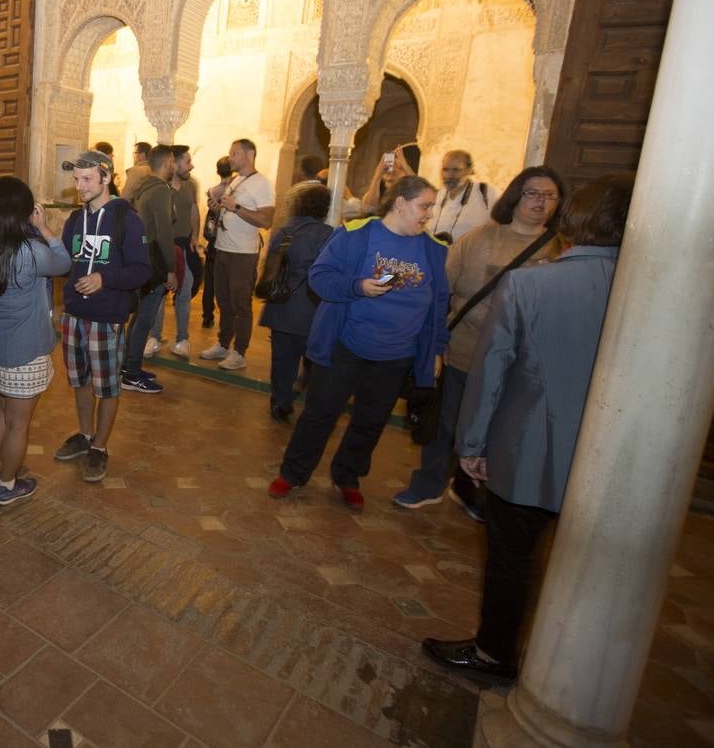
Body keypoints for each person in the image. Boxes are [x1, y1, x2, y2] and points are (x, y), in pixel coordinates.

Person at [422, 174, 634, 684]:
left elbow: (492, 370)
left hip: (531, 450)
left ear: (571, 219)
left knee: (513, 558)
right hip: (620, 459)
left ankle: (495, 653)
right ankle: (582, 668)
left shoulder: (532, 284)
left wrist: (472, 444)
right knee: (596, 564)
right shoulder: (646, 291)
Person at [394, 166, 567, 518]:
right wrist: (434, 345)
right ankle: (429, 484)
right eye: (533, 193)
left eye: (550, 196)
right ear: (516, 195)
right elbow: (443, 289)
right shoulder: (481, 238)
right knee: (446, 423)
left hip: (520, 364)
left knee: (497, 432)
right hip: (465, 352)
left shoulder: (561, 249)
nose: (541, 202)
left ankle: (470, 489)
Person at [269, 175, 449, 511]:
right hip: (346, 347)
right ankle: (293, 473)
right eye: (424, 206)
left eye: (431, 208)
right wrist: (358, 287)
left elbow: (439, 305)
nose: (429, 214)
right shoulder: (356, 235)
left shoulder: (433, 250)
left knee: (370, 421)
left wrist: (436, 349)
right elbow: (320, 277)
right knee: (320, 414)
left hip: (396, 356)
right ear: (399, 203)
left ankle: (347, 477)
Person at [0, 177, 70, 506]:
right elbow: (64, 264)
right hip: (23, 352)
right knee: (19, 424)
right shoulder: (30, 250)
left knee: (0, 409)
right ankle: (8, 486)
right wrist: (45, 229)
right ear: (24, 211)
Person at [54, 150, 150, 484]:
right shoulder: (75, 220)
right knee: (79, 382)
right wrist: (42, 237)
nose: (79, 187)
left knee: (107, 387)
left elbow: (141, 270)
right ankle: (84, 434)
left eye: (87, 179)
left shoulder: (127, 218)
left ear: (106, 178)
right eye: (76, 180)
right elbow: (65, 262)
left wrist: (104, 279)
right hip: (74, 316)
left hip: (106, 317)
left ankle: (101, 447)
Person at [199, 138, 275, 370]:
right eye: (231, 154)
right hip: (223, 249)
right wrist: (219, 206)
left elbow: (266, 220)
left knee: (241, 304)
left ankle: (239, 352)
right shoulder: (236, 180)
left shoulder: (261, 183)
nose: (230, 158)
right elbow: (229, 207)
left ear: (249, 154)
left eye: (235, 154)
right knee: (223, 300)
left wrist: (236, 208)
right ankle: (223, 343)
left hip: (242, 253)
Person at [260, 183, 333, 423]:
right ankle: (311, 404)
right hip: (313, 311)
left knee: (282, 360)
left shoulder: (284, 230)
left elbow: (271, 265)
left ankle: (280, 402)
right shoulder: (329, 234)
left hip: (281, 304)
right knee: (315, 361)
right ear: (324, 207)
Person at [121, 145, 177, 394]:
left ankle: (127, 366)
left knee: (138, 318)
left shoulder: (142, 187)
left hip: (140, 256)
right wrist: (171, 269)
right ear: (167, 162)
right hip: (155, 261)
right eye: (174, 161)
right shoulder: (161, 190)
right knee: (145, 320)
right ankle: (132, 374)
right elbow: (165, 233)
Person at [151, 145, 199, 358]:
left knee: (184, 292)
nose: (191, 165)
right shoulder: (161, 187)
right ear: (176, 164)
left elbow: (194, 210)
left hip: (185, 246)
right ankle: (154, 337)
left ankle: (182, 340)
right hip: (164, 247)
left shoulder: (191, 185)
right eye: (187, 162)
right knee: (160, 292)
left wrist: (196, 236)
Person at [428, 150, 500, 243]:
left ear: (469, 170)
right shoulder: (437, 195)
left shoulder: (487, 193)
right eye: (445, 169)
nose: (449, 175)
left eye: (456, 170)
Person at [200, 156, 232, 329]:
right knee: (225, 282)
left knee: (210, 282)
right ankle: (226, 319)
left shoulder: (213, 190)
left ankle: (207, 316)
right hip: (227, 238)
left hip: (212, 240)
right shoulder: (232, 191)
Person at [358, 142, 418, 215]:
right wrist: (378, 174)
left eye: (399, 168)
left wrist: (405, 166)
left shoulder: (414, 193)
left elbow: (420, 191)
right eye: (388, 168)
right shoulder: (380, 190)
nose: (391, 174)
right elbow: (368, 209)